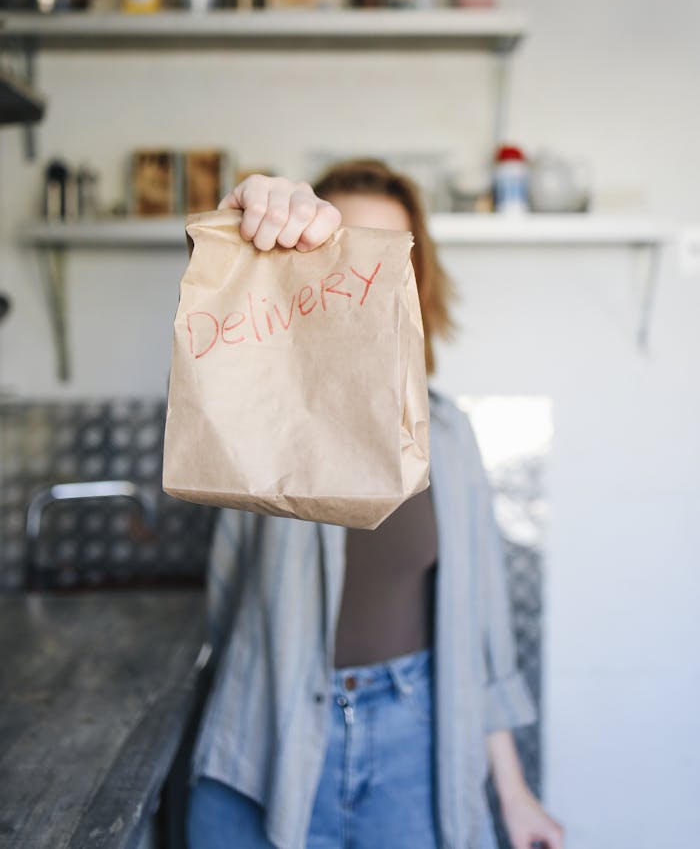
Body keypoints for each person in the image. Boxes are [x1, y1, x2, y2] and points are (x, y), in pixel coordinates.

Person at [187, 162, 565, 849]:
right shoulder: (264, 408)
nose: (367, 273)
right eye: (346, 248)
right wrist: (250, 218)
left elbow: (480, 632)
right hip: (262, 740)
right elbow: (222, 334)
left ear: (414, 280)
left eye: (388, 254)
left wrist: (513, 794)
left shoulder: (448, 437)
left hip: (415, 746)